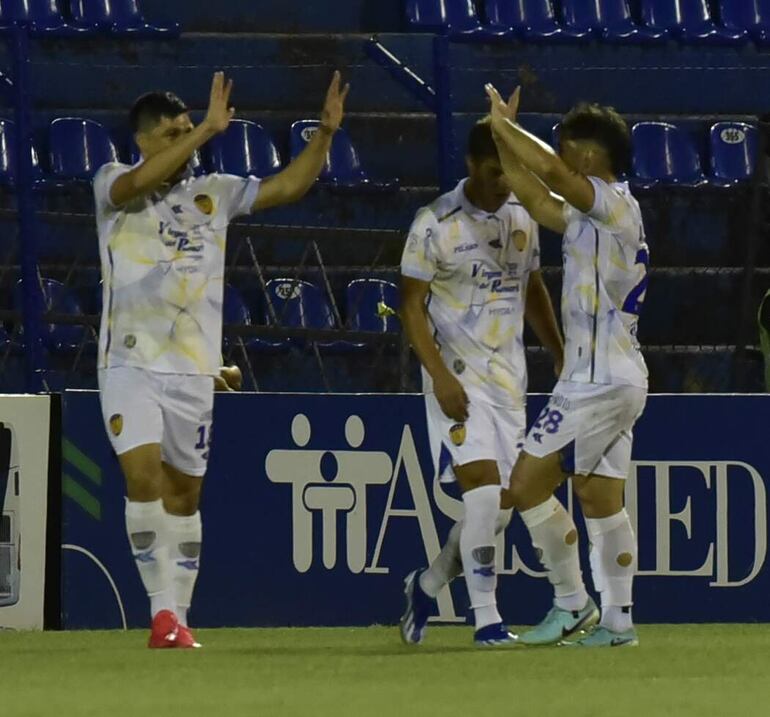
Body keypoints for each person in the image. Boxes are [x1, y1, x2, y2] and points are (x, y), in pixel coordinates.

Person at [94, 71, 349, 648]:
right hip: (129, 364)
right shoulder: (112, 184)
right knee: (142, 476)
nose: (190, 143)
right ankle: (160, 611)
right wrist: (209, 126)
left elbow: (288, 188)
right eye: (175, 133)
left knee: (185, 496)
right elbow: (135, 184)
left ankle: (177, 621)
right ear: (145, 141)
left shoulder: (216, 192)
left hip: (193, 370)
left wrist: (325, 137)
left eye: (192, 130)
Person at [485, 84, 649, 647]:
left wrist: (505, 129)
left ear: (586, 155)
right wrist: (503, 136)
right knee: (600, 499)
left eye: (564, 145)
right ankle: (619, 623)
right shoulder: (593, 216)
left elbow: (552, 175)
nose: (557, 152)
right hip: (616, 375)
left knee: (525, 486)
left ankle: (572, 603)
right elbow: (533, 196)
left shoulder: (614, 202)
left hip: (597, 381)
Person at [399, 119, 563, 646]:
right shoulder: (435, 222)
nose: (504, 182)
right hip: (458, 381)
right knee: (485, 499)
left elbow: (532, 286)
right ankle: (487, 620)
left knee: (502, 505)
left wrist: (559, 352)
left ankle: (426, 585)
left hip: (509, 382)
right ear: (470, 165)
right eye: (494, 172)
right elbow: (410, 307)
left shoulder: (522, 217)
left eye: (509, 172)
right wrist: (439, 376)